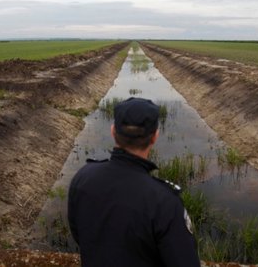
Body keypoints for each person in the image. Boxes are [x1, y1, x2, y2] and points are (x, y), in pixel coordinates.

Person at [67, 97, 200, 267]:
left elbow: (78, 234)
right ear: (154, 137)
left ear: (113, 131)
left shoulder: (83, 177)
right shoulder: (165, 202)